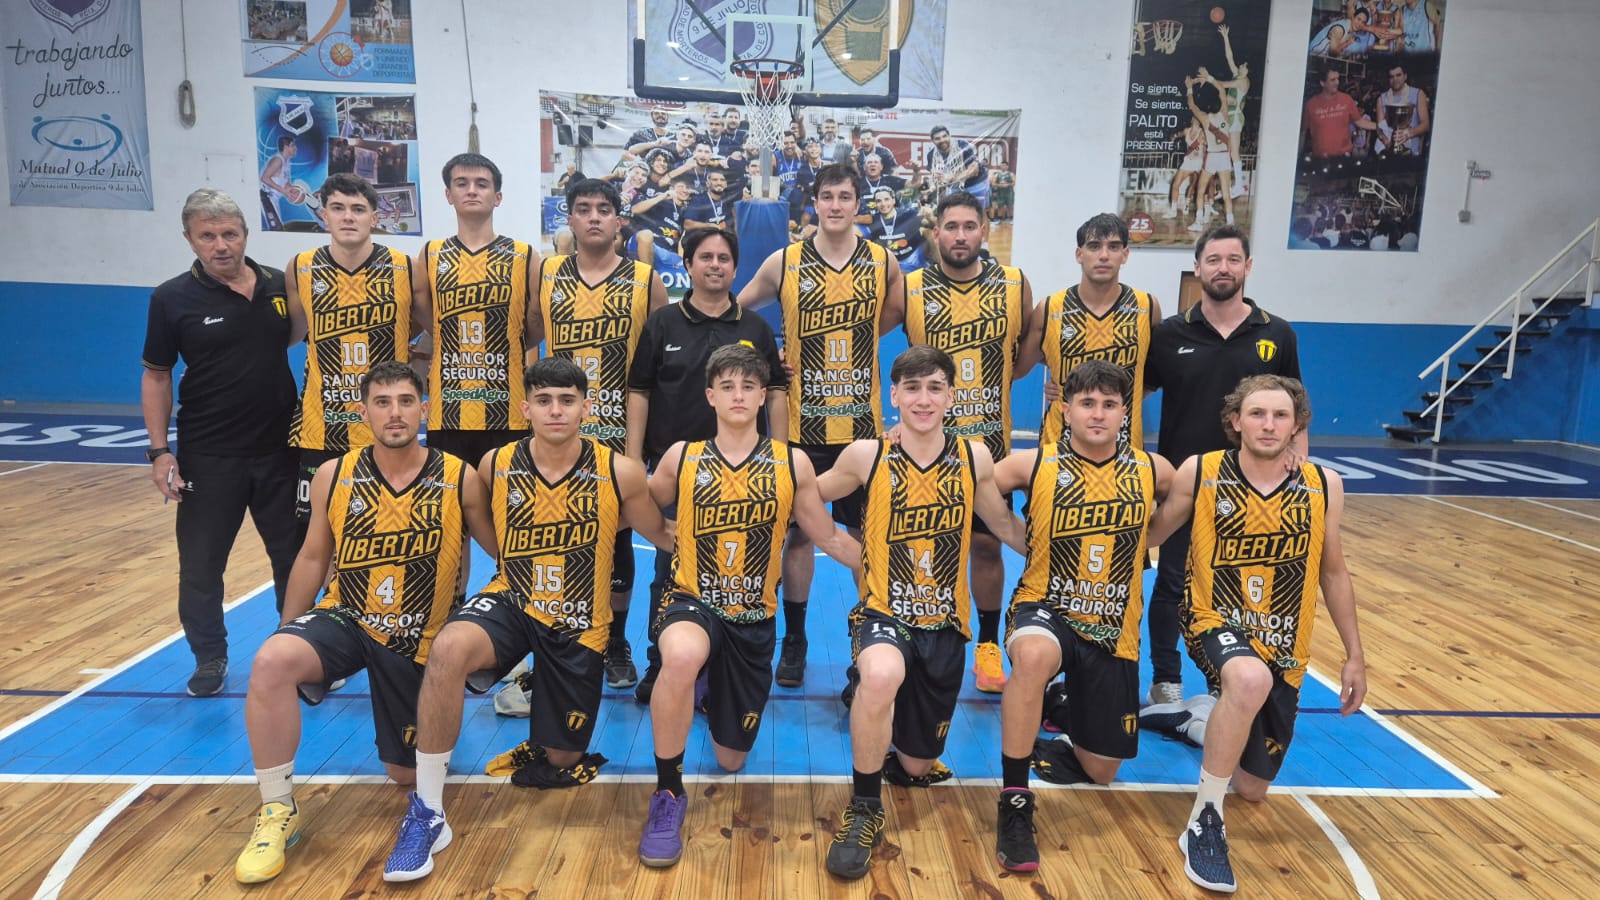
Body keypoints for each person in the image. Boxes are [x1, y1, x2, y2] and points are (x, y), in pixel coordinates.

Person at [382, 358, 673, 882]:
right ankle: (427, 811)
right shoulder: (495, 463)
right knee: (449, 647)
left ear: (586, 407)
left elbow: (661, 535)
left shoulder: (620, 471)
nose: (555, 410)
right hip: (513, 598)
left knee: (563, 759)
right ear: (526, 409)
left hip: (579, 618)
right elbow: (483, 532)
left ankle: (545, 728)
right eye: (543, 401)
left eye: (566, 400)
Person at [232, 361, 495, 883]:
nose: (395, 413)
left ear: (424, 409)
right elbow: (313, 557)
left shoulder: (459, 477)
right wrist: (288, 628)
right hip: (348, 617)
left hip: (419, 636)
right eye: (382, 402)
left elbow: (505, 554)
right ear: (362, 412)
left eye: (405, 401)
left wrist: (477, 627)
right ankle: (277, 809)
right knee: (272, 661)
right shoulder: (334, 475)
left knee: (403, 773)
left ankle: (423, 753)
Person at [637, 344, 860, 867]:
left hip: (754, 616)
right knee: (680, 656)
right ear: (710, 396)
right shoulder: (682, 456)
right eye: (727, 387)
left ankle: (709, 685)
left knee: (731, 759)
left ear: (763, 397)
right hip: (692, 598)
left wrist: (883, 569)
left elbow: (828, 536)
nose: (738, 395)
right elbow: (640, 501)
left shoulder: (791, 462)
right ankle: (667, 792)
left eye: (748, 387)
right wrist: (665, 535)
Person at [1144, 375, 1365, 894]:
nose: (1268, 425)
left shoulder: (1324, 485)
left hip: (1284, 640)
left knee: (1252, 787)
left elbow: (1333, 572)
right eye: (1257, 414)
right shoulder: (1203, 472)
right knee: (1247, 680)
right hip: (1211, 618)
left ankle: (1192, 721)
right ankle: (1204, 822)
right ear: (1235, 421)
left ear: (1297, 425)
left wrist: (1355, 655)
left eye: (1280, 415)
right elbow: (1151, 533)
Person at [814, 346, 1025, 882]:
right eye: (912, 388)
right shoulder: (867, 455)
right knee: (881, 673)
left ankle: (886, 716)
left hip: (944, 623)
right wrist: (842, 547)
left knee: (916, 765)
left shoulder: (974, 457)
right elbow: (804, 494)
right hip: (884, 611)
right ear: (894, 395)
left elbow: (1002, 524)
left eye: (934, 388)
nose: (923, 399)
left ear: (951, 395)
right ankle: (864, 806)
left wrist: (1053, 554)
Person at [988, 360, 1175, 872]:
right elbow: (969, 481)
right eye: (1087, 403)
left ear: (1125, 413)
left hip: (1113, 623)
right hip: (1044, 604)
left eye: (1109, 404)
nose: (1098, 413)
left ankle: (1059, 703)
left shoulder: (1153, 471)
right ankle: (1015, 800)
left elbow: (1188, 500)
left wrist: (1148, 540)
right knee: (1032, 657)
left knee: (1102, 770)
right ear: (1065, 410)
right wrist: (1014, 534)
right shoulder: (1033, 464)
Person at [738, 163, 906, 687]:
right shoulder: (785, 260)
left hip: (861, 428)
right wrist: (766, 353)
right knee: (797, 537)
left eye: (845, 196)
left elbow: (893, 316)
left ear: (858, 204)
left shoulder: (882, 261)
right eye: (827, 196)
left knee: (864, 535)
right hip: (801, 426)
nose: (836, 205)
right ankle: (795, 639)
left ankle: (868, 641)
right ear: (814, 203)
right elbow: (737, 311)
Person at [141, 188, 301, 697]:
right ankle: (209, 657)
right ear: (189, 239)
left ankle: (296, 652)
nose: (220, 245)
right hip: (208, 456)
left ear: (245, 235)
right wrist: (159, 451)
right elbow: (157, 375)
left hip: (282, 449)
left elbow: (295, 338)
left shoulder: (280, 284)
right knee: (202, 565)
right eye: (207, 236)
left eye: (229, 234)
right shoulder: (171, 298)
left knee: (295, 560)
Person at [1143, 224, 1303, 709]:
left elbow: (1295, 406)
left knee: (1235, 592)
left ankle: (1225, 680)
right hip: (1184, 481)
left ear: (1247, 266)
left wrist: (1298, 459)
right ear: (1197, 267)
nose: (1223, 268)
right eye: (1213, 260)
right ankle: (1165, 679)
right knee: (1172, 582)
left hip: (1251, 486)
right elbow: (1133, 391)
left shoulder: (1277, 333)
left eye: (1233, 259)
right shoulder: (1170, 333)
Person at [626, 228, 789, 702]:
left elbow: (776, 392)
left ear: (735, 268)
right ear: (688, 265)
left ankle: (726, 668)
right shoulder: (662, 323)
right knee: (669, 571)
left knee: (742, 571)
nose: (714, 265)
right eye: (705, 257)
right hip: (678, 471)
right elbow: (639, 391)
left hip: (748, 474)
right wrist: (635, 460)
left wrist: (779, 459)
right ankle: (662, 663)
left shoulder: (755, 328)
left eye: (723, 258)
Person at [525, 178, 667, 695]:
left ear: (618, 220)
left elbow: (657, 361)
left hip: (619, 432)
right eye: (582, 209)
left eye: (603, 209)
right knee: (552, 536)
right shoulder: (547, 273)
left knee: (619, 536)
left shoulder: (645, 279)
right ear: (569, 219)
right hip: (556, 431)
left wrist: (639, 447)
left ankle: (614, 640)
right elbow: (527, 334)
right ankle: (550, 637)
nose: (593, 217)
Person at [902, 191, 1035, 693]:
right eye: (951, 227)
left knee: (985, 545)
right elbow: (862, 334)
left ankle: (987, 645)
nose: (960, 236)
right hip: (925, 445)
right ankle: (914, 640)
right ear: (936, 233)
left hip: (990, 445)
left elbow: (1027, 353)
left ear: (984, 230)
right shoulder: (911, 287)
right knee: (919, 547)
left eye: (969, 226)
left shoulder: (1015, 284)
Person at [412, 153, 541, 554]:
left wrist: (508, 343)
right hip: (448, 413)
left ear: (497, 197)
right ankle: (456, 592)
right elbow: (427, 317)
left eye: (482, 184)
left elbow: (535, 322)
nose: (472, 190)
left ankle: (514, 588)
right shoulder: (430, 254)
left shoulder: (524, 255)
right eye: (462, 183)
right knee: (452, 526)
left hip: (508, 413)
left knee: (513, 519)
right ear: (448, 195)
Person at [285, 173, 419, 547]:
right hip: (320, 424)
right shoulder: (300, 268)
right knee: (316, 536)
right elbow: (292, 333)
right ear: (323, 215)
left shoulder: (405, 268)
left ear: (374, 217)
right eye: (338, 208)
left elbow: (427, 324)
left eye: (358, 209)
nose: (348, 217)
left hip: (386, 425)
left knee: (388, 531)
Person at [1036, 213, 1162, 449]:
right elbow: (1018, 364)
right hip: (1059, 445)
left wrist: (1131, 394)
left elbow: (1156, 371)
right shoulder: (1050, 308)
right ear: (1079, 254)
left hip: (1125, 446)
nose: (1104, 255)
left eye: (1113, 247)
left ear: (1125, 254)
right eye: (1094, 246)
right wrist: (1059, 378)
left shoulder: (1147, 307)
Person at [1200, 23, 1250, 198]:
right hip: (1230, 115)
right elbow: (1230, 58)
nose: (1241, 66)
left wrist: (1209, 78)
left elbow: (1223, 84)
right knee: (1228, 151)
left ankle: (1239, 185)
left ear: (1247, 70)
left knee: (1234, 151)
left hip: (1235, 117)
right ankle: (1231, 185)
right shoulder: (1237, 74)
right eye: (1241, 65)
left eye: (1244, 66)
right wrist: (1226, 37)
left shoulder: (1243, 81)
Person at [1183, 77, 1236, 231]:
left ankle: (1199, 222)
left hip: (1212, 156)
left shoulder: (1205, 118)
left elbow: (1191, 104)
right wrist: (1209, 78)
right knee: (1226, 194)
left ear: (1208, 106)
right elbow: (1221, 90)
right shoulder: (1225, 114)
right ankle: (1230, 222)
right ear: (1220, 103)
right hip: (1224, 156)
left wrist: (1189, 87)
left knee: (1200, 191)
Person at [1301, 67, 1377, 160]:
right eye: (1333, 80)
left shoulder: (1347, 99)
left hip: (1344, 157)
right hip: (1320, 159)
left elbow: (1360, 121)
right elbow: (1303, 133)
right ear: (1322, 83)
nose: (1337, 82)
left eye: (1338, 79)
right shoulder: (1311, 105)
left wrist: (1380, 126)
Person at [925, 125, 990, 209]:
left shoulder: (962, 145)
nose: (942, 140)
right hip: (955, 187)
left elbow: (975, 169)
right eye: (937, 138)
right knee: (956, 211)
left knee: (979, 212)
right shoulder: (931, 155)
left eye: (944, 136)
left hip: (976, 183)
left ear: (949, 136)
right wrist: (938, 177)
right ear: (933, 141)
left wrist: (952, 178)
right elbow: (933, 173)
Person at [865, 187, 929, 272]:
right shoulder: (872, 221)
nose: (883, 204)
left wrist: (929, 216)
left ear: (893, 201)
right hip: (887, 264)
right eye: (879, 201)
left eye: (886, 199)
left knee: (929, 232)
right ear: (875, 204)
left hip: (912, 260)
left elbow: (929, 225)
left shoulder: (908, 214)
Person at [1376, 63, 1432, 158]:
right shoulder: (1382, 98)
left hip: (1412, 151)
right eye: (1391, 77)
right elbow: (1379, 127)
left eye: (1398, 75)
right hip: (1387, 151)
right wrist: (1386, 141)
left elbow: (1425, 125)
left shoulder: (1418, 94)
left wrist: (1408, 133)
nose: (1395, 79)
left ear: (1405, 76)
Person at [1167, 116, 1207, 221]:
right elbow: (1179, 134)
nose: (1196, 120)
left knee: (1194, 185)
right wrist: (1174, 136)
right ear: (1192, 120)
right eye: (1195, 118)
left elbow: (1205, 143)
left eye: (1198, 118)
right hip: (1188, 161)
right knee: (1175, 185)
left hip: (1198, 162)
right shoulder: (1186, 131)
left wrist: (1205, 144)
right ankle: (1173, 211)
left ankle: (1188, 205)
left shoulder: (1202, 132)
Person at [258, 136, 300, 230]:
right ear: (285, 147)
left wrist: (293, 191)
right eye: (293, 145)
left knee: (279, 228)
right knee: (276, 228)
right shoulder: (277, 160)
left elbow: (287, 183)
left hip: (273, 198)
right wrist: (284, 191)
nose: (295, 148)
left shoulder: (287, 162)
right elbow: (264, 178)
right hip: (265, 197)